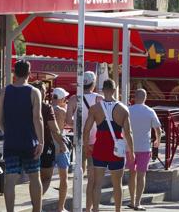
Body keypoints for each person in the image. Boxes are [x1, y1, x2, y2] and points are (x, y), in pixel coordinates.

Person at [0, 60, 44, 212]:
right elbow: (38, 119)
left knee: (10, 179)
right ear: (29, 74)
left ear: (14, 73)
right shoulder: (34, 92)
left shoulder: (4, 91)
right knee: (34, 178)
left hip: (11, 142)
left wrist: (6, 131)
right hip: (29, 142)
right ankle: (36, 210)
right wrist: (41, 141)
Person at [84, 79, 134, 212]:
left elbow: (86, 129)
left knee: (97, 183)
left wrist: (86, 145)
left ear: (102, 90)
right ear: (114, 90)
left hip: (100, 147)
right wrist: (131, 152)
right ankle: (118, 210)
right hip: (116, 149)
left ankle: (96, 209)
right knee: (117, 184)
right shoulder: (123, 109)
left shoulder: (95, 109)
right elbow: (128, 133)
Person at [66, 71, 101, 212]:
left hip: (79, 140)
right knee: (92, 177)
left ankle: (77, 205)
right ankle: (88, 208)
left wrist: (78, 123)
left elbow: (68, 121)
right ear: (93, 83)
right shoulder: (99, 99)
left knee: (79, 172)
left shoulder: (74, 99)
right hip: (94, 141)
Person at [126, 89, 161, 211]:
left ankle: (131, 200)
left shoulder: (128, 110)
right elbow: (158, 129)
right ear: (145, 98)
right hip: (144, 147)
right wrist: (158, 140)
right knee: (141, 175)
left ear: (134, 97)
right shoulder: (150, 111)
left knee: (132, 174)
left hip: (130, 147)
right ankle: (137, 202)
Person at [41, 87, 70, 212]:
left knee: (44, 179)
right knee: (64, 179)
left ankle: (37, 203)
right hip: (60, 147)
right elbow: (68, 123)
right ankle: (60, 208)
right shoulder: (61, 111)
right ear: (62, 99)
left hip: (47, 146)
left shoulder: (46, 109)